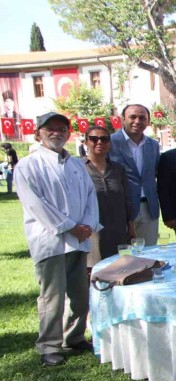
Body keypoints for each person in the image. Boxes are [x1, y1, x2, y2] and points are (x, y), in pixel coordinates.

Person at [14, 112, 101, 366]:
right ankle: (49, 346)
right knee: (52, 297)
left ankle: (74, 337)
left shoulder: (76, 164)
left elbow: (90, 197)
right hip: (50, 241)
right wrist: (70, 227)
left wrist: (88, 225)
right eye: (50, 129)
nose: (57, 133)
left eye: (62, 129)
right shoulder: (28, 165)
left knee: (79, 294)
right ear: (37, 134)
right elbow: (36, 204)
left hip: (79, 239)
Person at [109, 104, 161, 246]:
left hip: (149, 207)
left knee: (149, 252)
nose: (137, 121)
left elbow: (155, 172)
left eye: (142, 118)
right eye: (132, 117)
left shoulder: (153, 145)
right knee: (123, 253)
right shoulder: (109, 142)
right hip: (121, 207)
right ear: (123, 119)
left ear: (148, 121)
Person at [83, 126, 134, 270]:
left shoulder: (118, 169)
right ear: (86, 142)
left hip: (117, 228)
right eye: (94, 139)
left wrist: (131, 226)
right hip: (92, 230)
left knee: (119, 268)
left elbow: (126, 199)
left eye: (104, 139)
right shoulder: (78, 168)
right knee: (94, 269)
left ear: (109, 143)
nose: (99, 142)